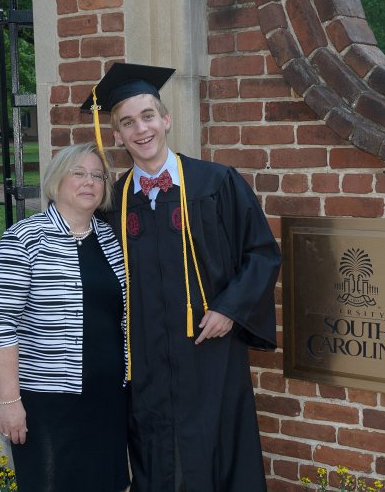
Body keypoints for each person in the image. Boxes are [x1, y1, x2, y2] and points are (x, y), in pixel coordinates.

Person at [82, 63, 281, 492]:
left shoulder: (215, 183)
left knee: (216, 448)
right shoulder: (113, 204)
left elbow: (262, 253)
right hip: (147, 358)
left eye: (148, 116)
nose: (141, 129)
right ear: (116, 135)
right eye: (128, 122)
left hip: (209, 351)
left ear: (166, 119)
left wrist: (230, 309)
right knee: (155, 456)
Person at [0, 142, 130, 492]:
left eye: (97, 176)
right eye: (78, 173)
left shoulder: (110, 239)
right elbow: (2, 323)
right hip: (49, 400)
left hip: (108, 396)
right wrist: (9, 401)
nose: (89, 182)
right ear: (56, 181)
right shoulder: (23, 239)